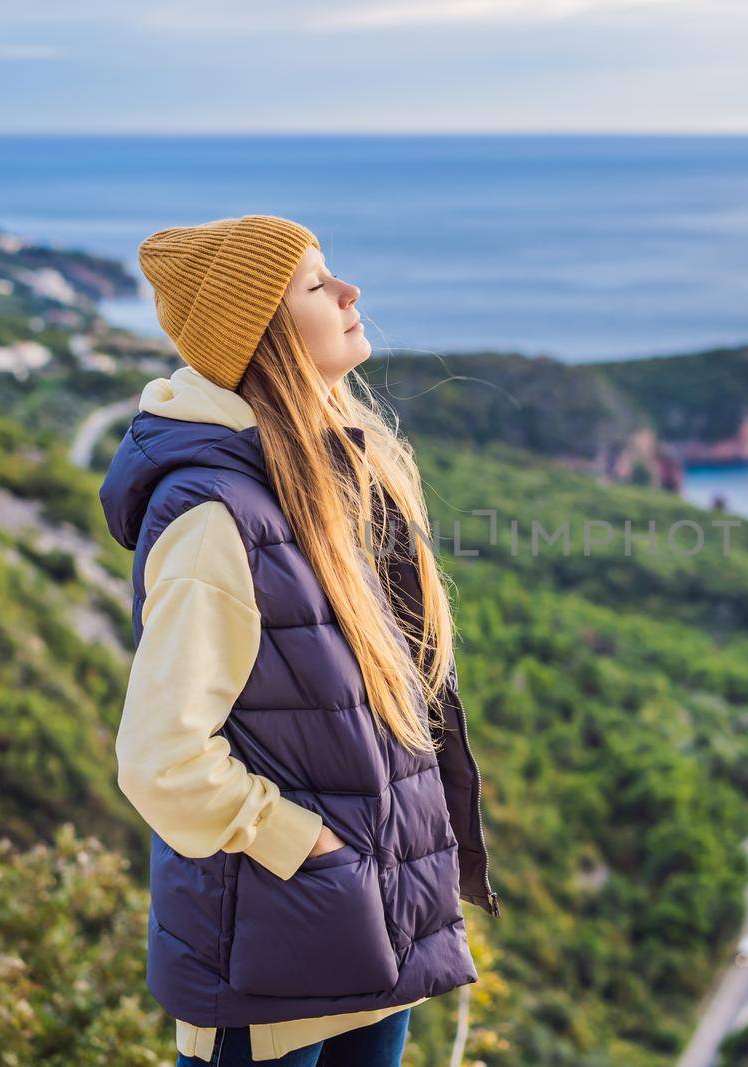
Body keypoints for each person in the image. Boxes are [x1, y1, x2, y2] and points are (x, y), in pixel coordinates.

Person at [99, 214, 500, 1066]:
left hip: (372, 932)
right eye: (319, 285)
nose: (352, 295)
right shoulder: (215, 515)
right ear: (264, 333)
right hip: (272, 957)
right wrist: (305, 844)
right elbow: (160, 758)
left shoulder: (330, 475)